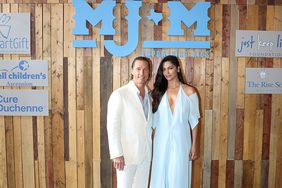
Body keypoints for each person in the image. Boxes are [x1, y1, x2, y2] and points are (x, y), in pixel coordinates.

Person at [150, 55, 200, 188]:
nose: (167, 72)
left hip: (182, 141)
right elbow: (153, 124)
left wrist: (194, 145)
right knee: (159, 175)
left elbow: (194, 121)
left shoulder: (190, 92)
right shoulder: (157, 93)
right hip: (161, 141)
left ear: (178, 68)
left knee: (178, 175)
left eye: (170, 68)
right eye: (164, 69)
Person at [107, 56, 153, 188]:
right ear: (132, 71)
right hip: (126, 156)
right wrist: (116, 154)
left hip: (145, 154)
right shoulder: (120, 94)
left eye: (145, 69)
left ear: (149, 73)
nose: (141, 73)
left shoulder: (150, 97)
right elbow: (112, 126)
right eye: (138, 69)